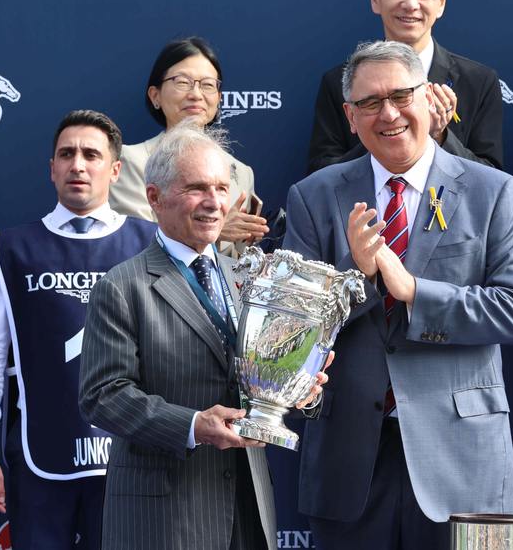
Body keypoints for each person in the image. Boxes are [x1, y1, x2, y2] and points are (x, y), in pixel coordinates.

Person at [283, 40, 513, 549]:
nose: (390, 113)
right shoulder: (314, 196)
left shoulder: (495, 191)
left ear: (429, 100)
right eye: (371, 103)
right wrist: (357, 275)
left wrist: (413, 291)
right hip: (348, 458)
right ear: (350, 118)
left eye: (402, 95)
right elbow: (291, 333)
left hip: (463, 458)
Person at [80, 124, 328, 550]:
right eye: (196, 188)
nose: (214, 203)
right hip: (164, 516)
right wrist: (195, 426)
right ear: (154, 198)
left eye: (220, 187)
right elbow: (103, 396)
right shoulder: (122, 286)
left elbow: (259, 383)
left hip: (248, 505)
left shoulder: (250, 281)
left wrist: (299, 390)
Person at [0, 110, 155, 550]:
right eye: (66, 154)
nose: (78, 165)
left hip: (131, 457)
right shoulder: (10, 248)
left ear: (115, 169)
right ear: (51, 169)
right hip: (38, 456)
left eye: (92, 154)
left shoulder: (151, 243)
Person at [307, 0, 504, 173]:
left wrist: (439, 137)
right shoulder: (339, 81)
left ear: (441, 2)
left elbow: (492, 179)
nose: (411, 4)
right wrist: (384, 134)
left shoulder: (478, 82)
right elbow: (321, 174)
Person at [108, 37, 267, 254]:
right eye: (182, 82)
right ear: (155, 96)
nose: (196, 95)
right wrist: (215, 231)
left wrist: (246, 239)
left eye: (208, 85)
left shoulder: (241, 172)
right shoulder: (132, 161)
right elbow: (133, 243)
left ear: (219, 98)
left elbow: (239, 261)